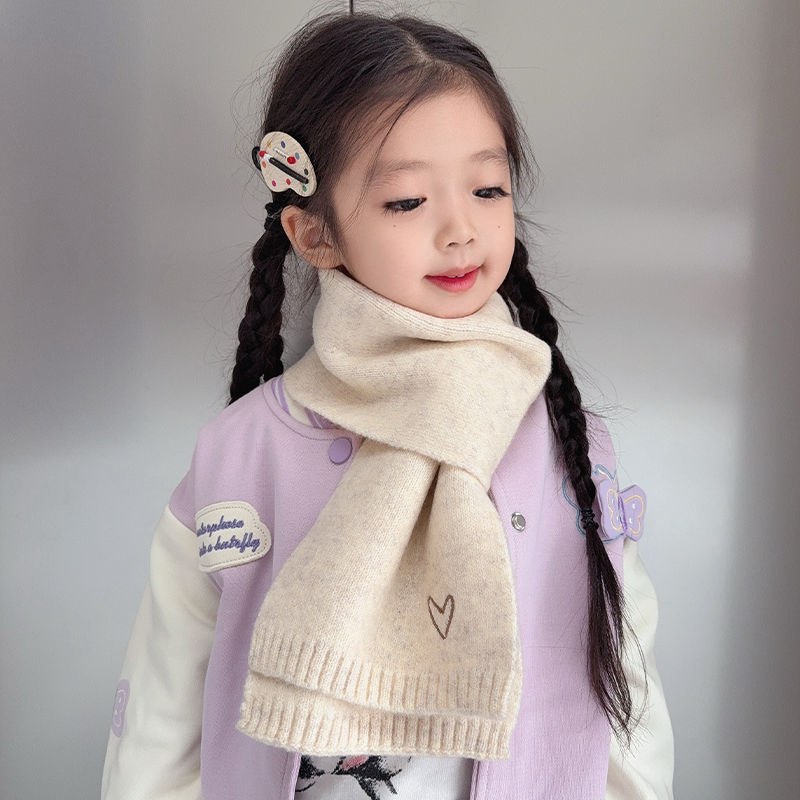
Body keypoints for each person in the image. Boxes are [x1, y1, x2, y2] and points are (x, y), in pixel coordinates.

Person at [101, 11, 674, 800]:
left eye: (488, 188)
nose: (460, 229)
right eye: (406, 201)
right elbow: (161, 726)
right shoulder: (241, 454)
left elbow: (629, 691)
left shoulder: (565, 442)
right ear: (314, 234)